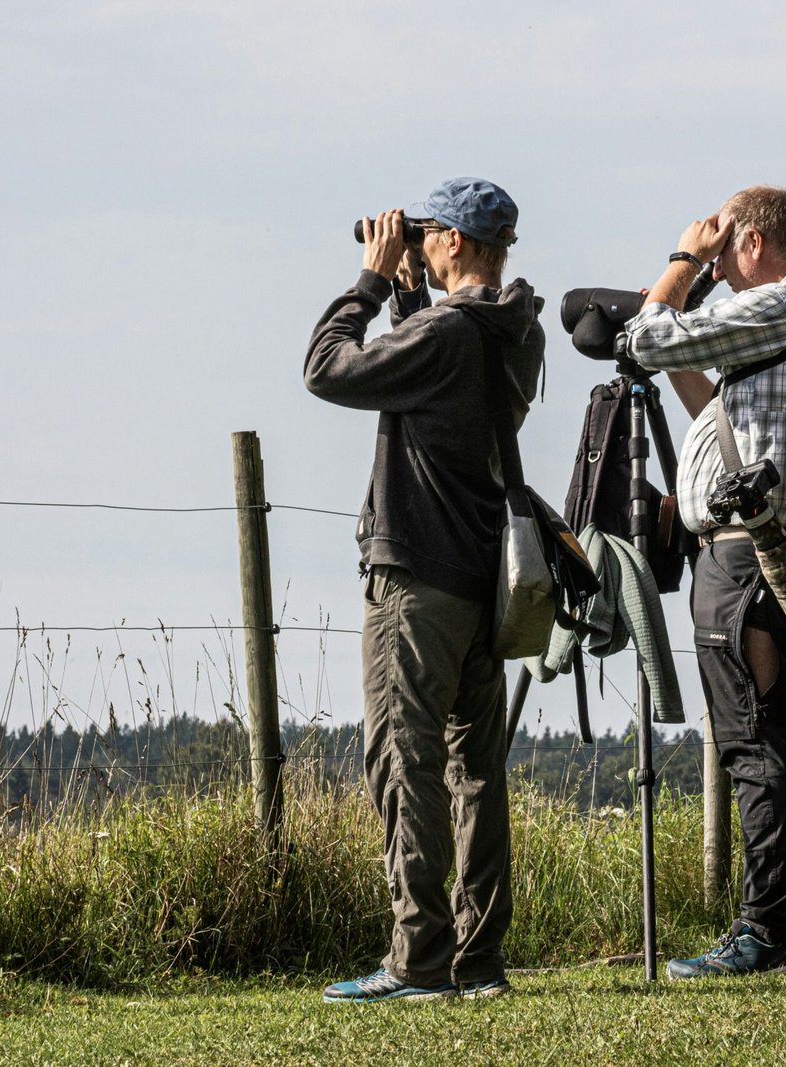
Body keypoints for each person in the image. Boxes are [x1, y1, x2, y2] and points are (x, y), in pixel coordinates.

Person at [303, 177, 545, 1003]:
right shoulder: (514, 329)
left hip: (417, 577)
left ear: (453, 241)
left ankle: (419, 960)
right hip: (484, 579)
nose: (416, 240)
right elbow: (446, 391)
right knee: (477, 770)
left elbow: (328, 370)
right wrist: (414, 300)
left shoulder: (446, 330)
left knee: (405, 763)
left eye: (427, 231)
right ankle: (479, 960)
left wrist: (371, 283)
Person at [623, 185, 786, 978]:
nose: (720, 269)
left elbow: (646, 340)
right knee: (783, 740)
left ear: (754, 241)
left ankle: (769, 931)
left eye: (727, 251)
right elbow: (719, 409)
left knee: (753, 741)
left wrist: (680, 261)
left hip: (749, 560)